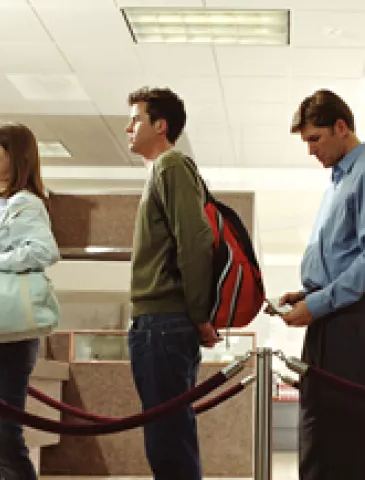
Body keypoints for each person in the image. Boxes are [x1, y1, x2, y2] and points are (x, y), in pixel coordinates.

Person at [270, 89, 365, 480]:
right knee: (319, 435)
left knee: (346, 442)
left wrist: (318, 302)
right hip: (331, 314)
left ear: (341, 127)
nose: (311, 150)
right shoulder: (338, 182)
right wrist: (308, 295)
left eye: (315, 138)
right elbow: (344, 257)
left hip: (354, 318)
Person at [124, 86, 221, 480]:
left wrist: (200, 314)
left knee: (169, 442)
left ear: (160, 125)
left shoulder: (172, 166)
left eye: (136, 120)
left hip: (163, 322)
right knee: (167, 437)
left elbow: (195, 241)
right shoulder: (162, 170)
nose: (128, 127)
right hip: (158, 323)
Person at [0, 120, 60, 480]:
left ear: (13, 157)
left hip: (7, 340)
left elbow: (44, 251)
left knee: (3, 443)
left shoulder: (25, 204)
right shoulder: (7, 207)